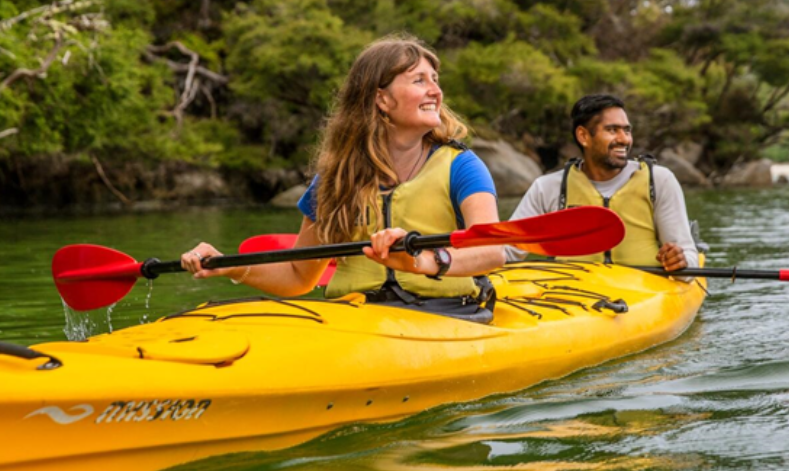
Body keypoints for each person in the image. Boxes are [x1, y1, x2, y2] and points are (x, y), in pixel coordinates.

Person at [181, 36, 505, 320]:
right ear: (382, 99)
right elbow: (298, 276)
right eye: (419, 80)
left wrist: (422, 260)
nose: (436, 90)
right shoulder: (335, 181)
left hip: (449, 314)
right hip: (357, 319)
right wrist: (230, 266)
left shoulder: (462, 166)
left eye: (435, 79)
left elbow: (492, 252)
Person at [505, 94, 697, 271]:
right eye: (612, 130)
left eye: (627, 130)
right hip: (572, 295)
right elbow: (507, 252)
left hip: (645, 292)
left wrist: (681, 261)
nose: (624, 139)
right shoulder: (546, 188)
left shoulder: (659, 180)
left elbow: (689, 256)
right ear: (583, 136)